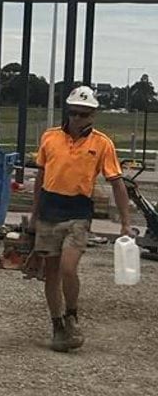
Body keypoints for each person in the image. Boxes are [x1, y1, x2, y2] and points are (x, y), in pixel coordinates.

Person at [33, 85, 132, 351]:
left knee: (68, 267)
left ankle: (72, 315)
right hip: (49, 210)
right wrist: (34, 214)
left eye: (84, 114)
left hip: (78, 212)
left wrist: (125, 221)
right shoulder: (50, 138)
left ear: (92, 116)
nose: (78, 119)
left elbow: (117, 183)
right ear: (69, 112)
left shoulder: (102, 144)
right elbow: (40, 177)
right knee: (51, 273)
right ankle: (57, 326)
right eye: (74, 113)